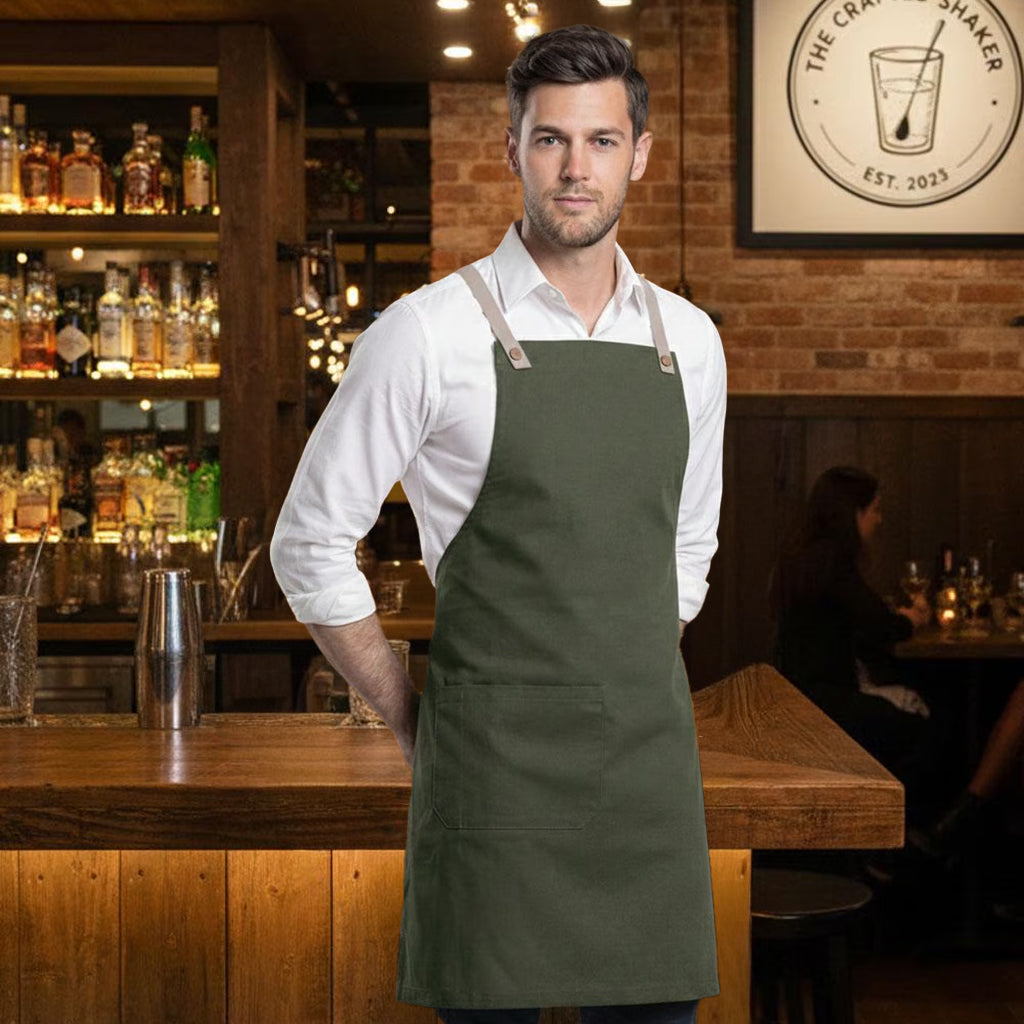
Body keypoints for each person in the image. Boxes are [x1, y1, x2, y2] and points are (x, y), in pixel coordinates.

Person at [270, 24, 727, 1024]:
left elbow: (687, 547)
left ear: (639, 155)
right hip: (490, 778)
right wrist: (405, 711)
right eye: (551, 139)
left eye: (601, 140)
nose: (576, 167)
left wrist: (620, 664)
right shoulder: (426, 333)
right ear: (513, 149)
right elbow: (305, 542)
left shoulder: (686, 343)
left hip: (644, 781)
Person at [770, 466, 942, 819]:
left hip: (802, 693)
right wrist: (911, 619)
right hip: (826, 701)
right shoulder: (832, 560)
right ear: (854, 513)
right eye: (875, 509)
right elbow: (882, 626)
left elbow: (860, 617)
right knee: (931, 732)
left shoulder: (804, 556)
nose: (879, 520)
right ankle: (893, 839)